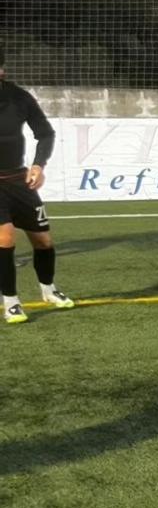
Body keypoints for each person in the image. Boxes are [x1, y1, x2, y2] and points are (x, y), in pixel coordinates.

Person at [0, 53, 74, 324]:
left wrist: (38, 165)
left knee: (43, 240)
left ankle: (48, 289)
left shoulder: (19, 97)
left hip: (19, 180)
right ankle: (11, 303)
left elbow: (45, 133)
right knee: (5, 238)